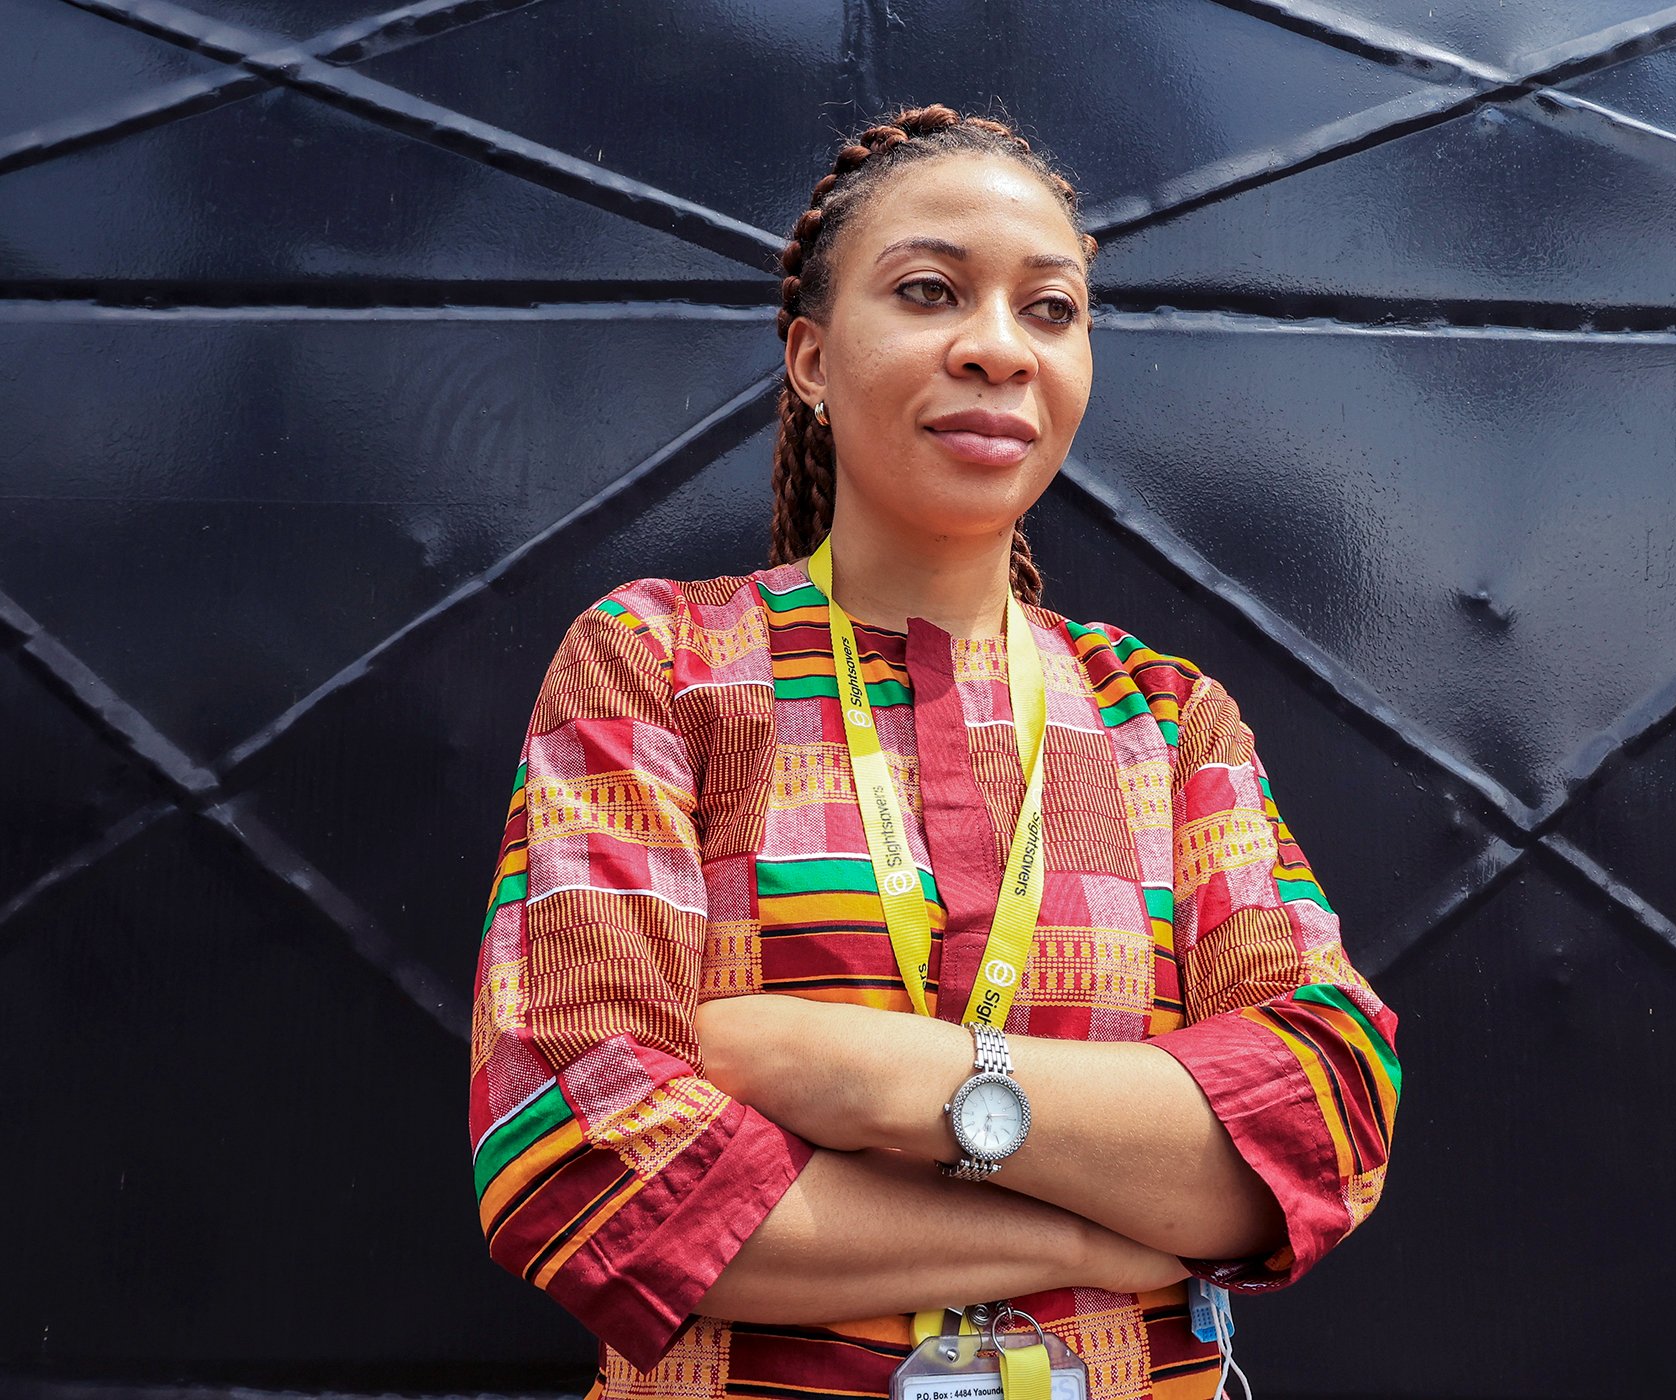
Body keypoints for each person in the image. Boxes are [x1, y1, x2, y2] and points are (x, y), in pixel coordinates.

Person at [467, 104, 1402, 1400]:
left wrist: (865, 1078)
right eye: (929, 292)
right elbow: (576, 1159)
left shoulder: (1165, 718)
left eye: (1051, 309)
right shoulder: (662, 668)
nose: (997, 349)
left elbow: (1326, 1115)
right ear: (809, 357)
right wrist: (1099, 1229)